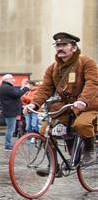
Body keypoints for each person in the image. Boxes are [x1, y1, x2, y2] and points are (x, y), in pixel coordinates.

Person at [25, 32, 98, 164]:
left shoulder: (86, 62)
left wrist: (83, 100)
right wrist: (34, 104)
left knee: (81, 124)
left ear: (74, 48)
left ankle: (89, 150)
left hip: (89, 105)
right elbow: (45, 88)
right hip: (66, 107)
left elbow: (92, 83)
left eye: (64, 44)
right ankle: (53, 166)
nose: (60, 48)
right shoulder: (53, 68)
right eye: (57, 45)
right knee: (44, 131)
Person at [0, 74, 28, 150]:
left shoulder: (4, 87)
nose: (13, 80)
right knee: (10, 129)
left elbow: (15, 95)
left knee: (10, 128)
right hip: (11, 111)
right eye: (12, 79)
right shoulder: (7, 87)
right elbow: (17, 94)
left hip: (9, 110)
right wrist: (25, 88)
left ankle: (8, 144)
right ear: (7, 80)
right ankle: (8, 145)